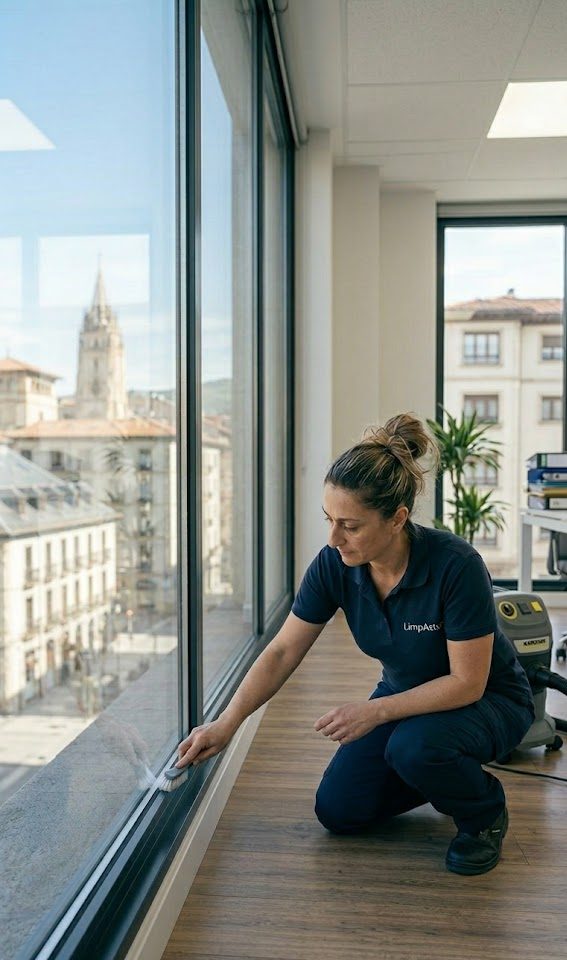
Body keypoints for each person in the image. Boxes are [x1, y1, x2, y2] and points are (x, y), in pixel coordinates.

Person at [175, 412, 535, 875]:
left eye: (350, 525)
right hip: (407, 699)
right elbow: (283, 650)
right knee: (340, 811)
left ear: (397, 519)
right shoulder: (335, 564)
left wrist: (377, 712)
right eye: (329, 520)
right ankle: (437, 770)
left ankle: (482, 813)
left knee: (414, 747)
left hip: (488, 701)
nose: (333, 538)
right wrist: (227, 723)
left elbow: (467, 683)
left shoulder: (455, 565)